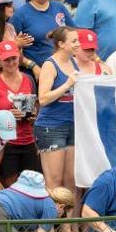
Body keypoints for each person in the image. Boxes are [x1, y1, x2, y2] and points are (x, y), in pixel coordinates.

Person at [0, 39, 42, 183]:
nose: (11, 63)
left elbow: (35, 106)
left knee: (34, 183)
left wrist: (32, 116)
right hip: (4, 143)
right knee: (10, 185)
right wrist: (5, 115)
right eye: (6, 59)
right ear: (0, 61)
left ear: (19, 57)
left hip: (27, 140)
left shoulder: (29, 79)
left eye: (13, 58)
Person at [34, 26, 79, 191]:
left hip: (72, 125)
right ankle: (51, 215)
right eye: (74, 41)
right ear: (61, 44)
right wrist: (67, 84)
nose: (78, 44)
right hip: (51, 127)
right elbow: (43, 98)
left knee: (71, 181)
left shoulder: (74, 61)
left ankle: (70, 217)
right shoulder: (50, 64)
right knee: (54, 182)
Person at [10, 0, 75, 69]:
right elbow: (10, 46)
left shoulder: (59, 7)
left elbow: (75, 33)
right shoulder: (20, 15)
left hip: (64, 65)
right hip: (37, 69)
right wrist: (32, 65)